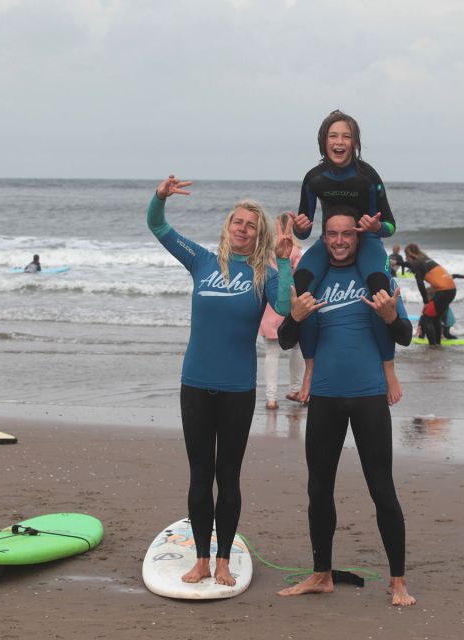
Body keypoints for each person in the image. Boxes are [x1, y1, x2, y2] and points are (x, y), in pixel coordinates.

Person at [147, 174, 292, 586]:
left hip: (236, 390)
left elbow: (284, 306)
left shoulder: (264, 273)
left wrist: (283, 259)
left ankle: (225, 559)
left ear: (259, 232)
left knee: (228, 476)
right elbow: (159, 227)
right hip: (195, 383)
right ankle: (201, 560)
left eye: (250, 224)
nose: (242, 228)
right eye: (237, 222)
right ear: (227, 226)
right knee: (199, 474)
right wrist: (160, 197)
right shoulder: (202, 261)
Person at [276, 212, 416, 607]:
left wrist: (390, 316)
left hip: (369, 396)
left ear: (357, 237)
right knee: (318, 489)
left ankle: (399, 582)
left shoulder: (377, 277)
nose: (339, 241)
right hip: (325, 398)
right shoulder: (315, 280)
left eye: (346, 234)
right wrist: (296, 315)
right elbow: (287, 338)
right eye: (332, 234)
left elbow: (405, 335)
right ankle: (321, 575)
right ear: (324, 238)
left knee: (382, 489)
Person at [291, 110, 396, 302]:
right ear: (323, 141)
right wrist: (298, 228)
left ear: (355, 143)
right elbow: (303, 233)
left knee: (380, 290)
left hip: (368, 241)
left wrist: (376, 227)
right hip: (330, 242)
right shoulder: (314, 179)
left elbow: (390, 226)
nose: (339, 142)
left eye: (346, 136)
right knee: (299, 284)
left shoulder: (368, 176)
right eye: (333, 136)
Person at [259, 214, 305, 410]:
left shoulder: (265, 251)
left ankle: (271, 398)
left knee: (271, 353)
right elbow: (301, 279)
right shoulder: (296, 251)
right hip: (289, 303)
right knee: (297, 349)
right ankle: (295, 389)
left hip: (270, 305)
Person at [404, 243, 464, 345]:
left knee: (427, 319)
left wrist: (425, 301)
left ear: (408, 255)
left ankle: (433, 346)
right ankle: (437, 344)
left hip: (444, 292)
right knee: (435, 318)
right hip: (451, 290)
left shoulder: (416, 263)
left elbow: (420, 283)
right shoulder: (427, 260)